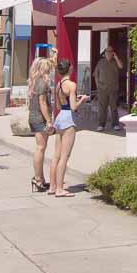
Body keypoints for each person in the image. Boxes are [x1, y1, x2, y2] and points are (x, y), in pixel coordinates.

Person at [49, 58, 88, 197]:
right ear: (69, 69)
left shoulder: (59, 84)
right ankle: (60, 188)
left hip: (59, 117)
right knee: (65, 156)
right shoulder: (71, 85)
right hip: (68, 119)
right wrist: (82, 100)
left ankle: (52, 186)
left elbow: (59, 105)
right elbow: (73, 107)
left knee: (56, 156)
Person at [27, 56, 54, 192]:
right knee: (40, 148)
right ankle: (38, 179)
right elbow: (42, 103)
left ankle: (40, 179)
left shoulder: (34, 81)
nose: (50, 71)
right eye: (48, 69)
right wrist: (49, 120)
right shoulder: (42, 83)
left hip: (33, 116)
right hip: (39, 118)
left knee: (40, 148)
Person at [94, 45, 123, 132]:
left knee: (114, 107)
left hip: (113, 88)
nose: (109, 53)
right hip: (102, 88)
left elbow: (121, 66)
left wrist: (116, 57)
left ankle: (115, 124)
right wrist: (97, 86)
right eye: (107, 52)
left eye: (111, 52)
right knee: (102, 107)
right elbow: (96, 75)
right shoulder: (100, 62)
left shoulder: (116, 61)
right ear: (105, 53)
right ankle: (101, 124)